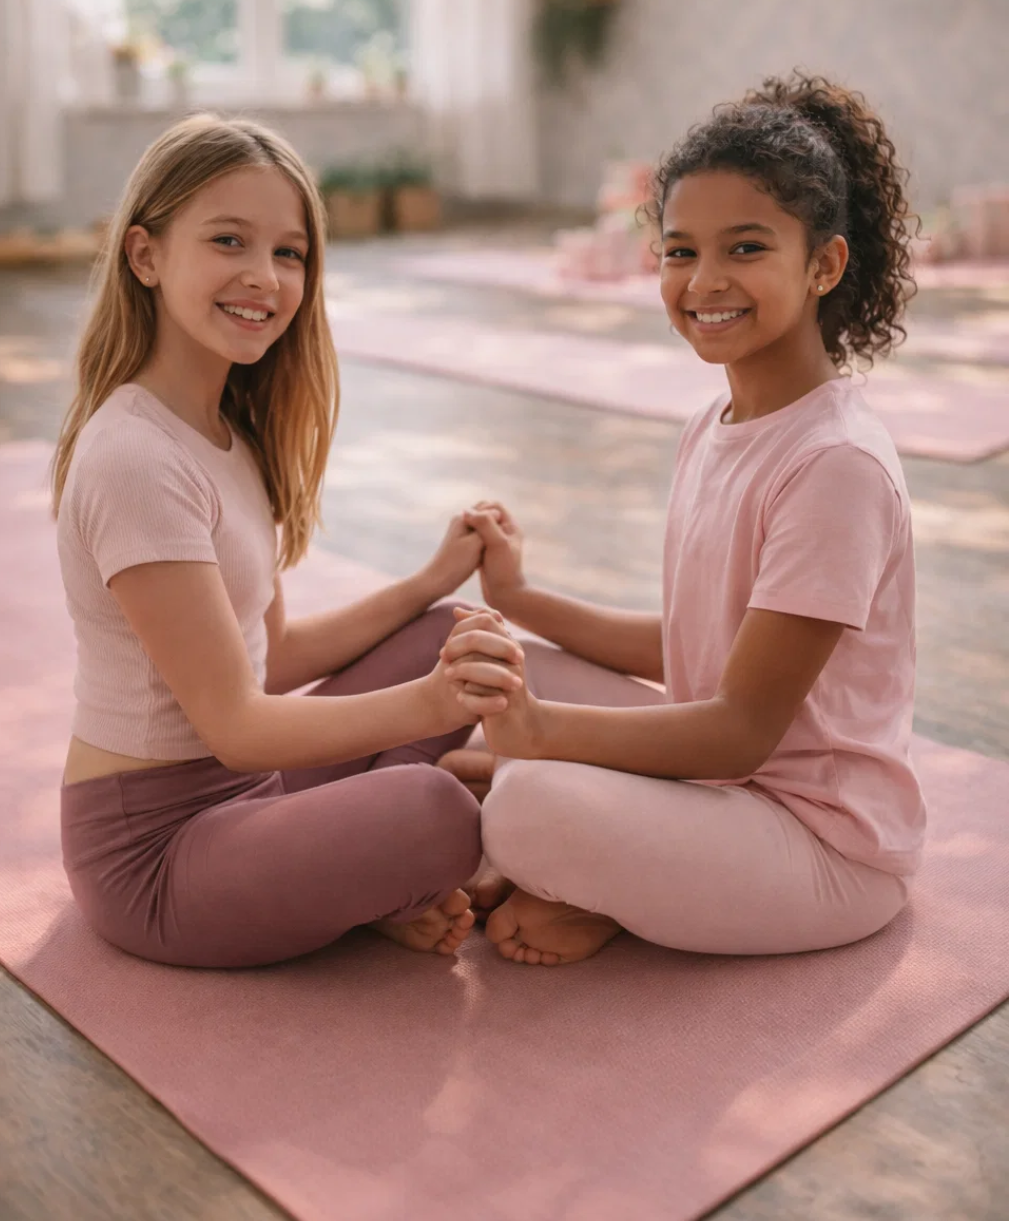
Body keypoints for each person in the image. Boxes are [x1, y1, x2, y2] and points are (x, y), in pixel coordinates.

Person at [446, 74, 926, 967]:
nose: (704, 281)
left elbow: (740, 728)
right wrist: (519, 600)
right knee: (502, 662)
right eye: (679, 252)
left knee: (523, 805)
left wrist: (541, 738)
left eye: (746, 249)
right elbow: (696, 646)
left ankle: (591, 889)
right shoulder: (716, 425)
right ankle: (578, 857)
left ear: (824, 264)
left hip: (820, 848)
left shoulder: (836, 468)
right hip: (716, 786)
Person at [51, 113, 523, 968]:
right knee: (437, 815)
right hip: (154, 857)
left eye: (289, 253)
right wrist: (433, 707)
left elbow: (271, 657)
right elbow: (236, 726)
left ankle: (349, 888)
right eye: (228, 240)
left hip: (249, 794)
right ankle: (360, 883)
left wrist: (427, 583)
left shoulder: (230, 435)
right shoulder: (134, 459)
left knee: (449, 631)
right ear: (145, 256)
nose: (263, 277)